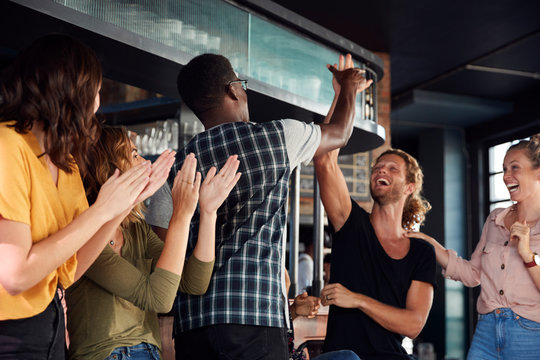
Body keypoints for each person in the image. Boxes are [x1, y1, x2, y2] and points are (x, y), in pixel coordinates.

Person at [145, 53, 372, 359]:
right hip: (256, 321)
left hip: (192, 327)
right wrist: (347, 87)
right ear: (234, 89)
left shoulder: (174, 170)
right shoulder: (279, 137)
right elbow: (340, 133)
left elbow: (162, 259)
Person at [0, 35, 175, 358]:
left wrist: (118, 209)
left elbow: (70, 271)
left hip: (48, 326)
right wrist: (101, 211)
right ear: (71, 92)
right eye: (95, 92)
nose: (98, 104)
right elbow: (15, 275)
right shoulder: (7, 145)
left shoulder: (64, 164)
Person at [65, 126, 241, 360]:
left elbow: (193, 282)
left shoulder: (136, 229)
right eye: (134, 155)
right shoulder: (86, 232)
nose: (145, 163)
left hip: (148, 352)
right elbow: (159, 298)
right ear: (109, 170)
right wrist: (180, 216)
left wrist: (209, 213)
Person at [314, 54, 436, 358]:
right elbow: (324, 158)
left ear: (410, 187)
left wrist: (357, 300)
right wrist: (344, 93)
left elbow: (413, 324)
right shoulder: (350, 223)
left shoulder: (421, 252)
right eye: (378, 167)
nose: (381, 170)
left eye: (392, 169)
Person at [412, 136, 540, 359]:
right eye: (503, 169)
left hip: (530, 333)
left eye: (515, 168)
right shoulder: (494, 219)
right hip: (486, 331)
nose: (506, 176)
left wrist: (527, 255)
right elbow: (473, 274)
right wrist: (429, 243)